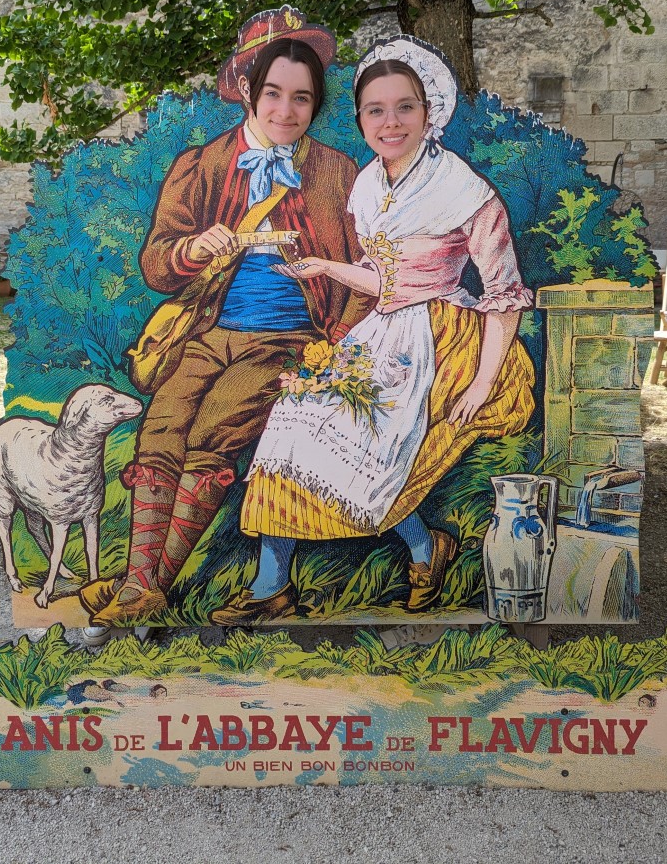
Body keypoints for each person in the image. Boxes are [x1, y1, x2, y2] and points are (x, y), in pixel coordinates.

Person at [211, 35, 536, 625]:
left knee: (374, 446)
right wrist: (325, 268)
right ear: (360, 118)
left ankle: (424, 548)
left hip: (444, 338)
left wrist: (482, 383)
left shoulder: (463, 189)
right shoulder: (367, 185)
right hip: (382, 329)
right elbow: (381, 279)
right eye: (375, 110)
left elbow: (505, 295)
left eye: (404, 107)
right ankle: (273, 584)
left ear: (429, 111)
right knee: (290, 425)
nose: (391, 123)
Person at [80, 7, 374, 627]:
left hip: (287, 340)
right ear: (246, 88)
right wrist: (190, 250)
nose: (286, 111)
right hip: (207, 332)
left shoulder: (338, 173)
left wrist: (336, 342)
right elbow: (157, 263)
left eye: (302, 98)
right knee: (161, 429)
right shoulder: (204, 164)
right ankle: (142, 584)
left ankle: (141, 588)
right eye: (273, 94)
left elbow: (364, 271)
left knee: (212, 434)